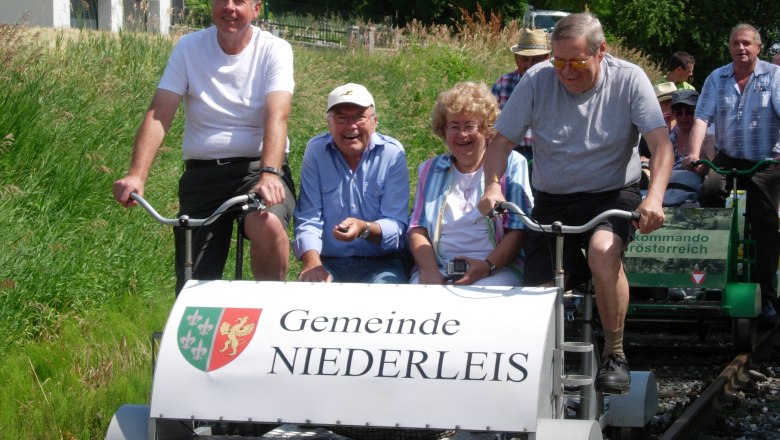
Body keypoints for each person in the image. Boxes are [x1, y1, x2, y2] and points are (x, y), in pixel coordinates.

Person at [478, 13, 673, 395]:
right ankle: (538, 368)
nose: (566, 71)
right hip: (553, 198)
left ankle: (615, 352)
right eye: (559, 61)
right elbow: (500, 143)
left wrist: (654, 198)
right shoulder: (537, 79)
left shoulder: (629, 79)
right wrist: (492, 187)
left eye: (577, 62)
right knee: (538, 289)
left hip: (611, 192)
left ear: (601, 52)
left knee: (603, 251)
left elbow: (661, 144)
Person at [111, 0, 295, 294]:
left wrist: (270, 172)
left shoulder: (274, 49)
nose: (229, 7)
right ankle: (198, 319)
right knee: (195, 282)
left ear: (256, 9)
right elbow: (160, 113)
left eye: (239, 1)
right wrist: (136, 175)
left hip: (257, 169)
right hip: (204, 175)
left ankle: (271, 306)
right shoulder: (189, 47)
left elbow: (277, 114)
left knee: (267, 223)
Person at [683, 23, 780, 319]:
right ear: (729, 47)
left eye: (747, 43)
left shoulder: (774, 76)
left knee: (765, 223)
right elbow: (702, 118)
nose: (741, 48)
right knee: (709, 193)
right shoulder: (717, 77)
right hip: (728, 156)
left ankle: (767, 294)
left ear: (758, 47)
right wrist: (693, 154)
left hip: (766, 159)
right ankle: (713, 271)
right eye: (736, 43)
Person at [408, 82, 533, 286]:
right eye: (454, 126)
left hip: (496, 268)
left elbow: (518, 229)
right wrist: (429, 270)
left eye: (469, 126)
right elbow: (417, 228)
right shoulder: (430, 169)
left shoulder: (512, 163)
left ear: (487, 129)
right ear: (443, 130)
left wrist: (487, 266)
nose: (462, 134)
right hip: (439, 267)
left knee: (480, 299)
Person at [293, 83, 410, 283]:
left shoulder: (392, 153)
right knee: (308, 297)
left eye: (359, 117)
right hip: (328, 262)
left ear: (374, 122)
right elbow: (308, 217)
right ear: (329, 123)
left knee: (388, 299)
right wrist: (313, 264)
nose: (351, 125)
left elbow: (397, 225)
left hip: (382, 264)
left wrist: (364, 229)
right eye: (341, 117)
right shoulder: (316, 151)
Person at [491, 28, 551, 161]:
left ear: (547, 58)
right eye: (524, 59)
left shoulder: (558, 85)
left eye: (536, 60)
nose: (530, 65)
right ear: (516, 58)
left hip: (546, 155)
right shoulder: (502, 85)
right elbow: (489, 126)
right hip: (511, 154)